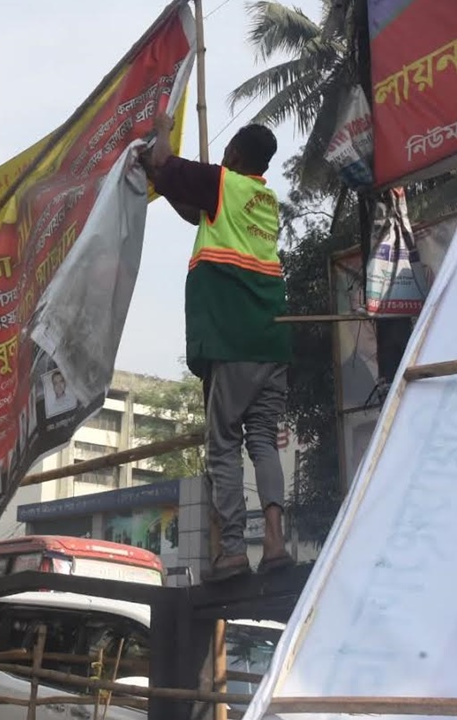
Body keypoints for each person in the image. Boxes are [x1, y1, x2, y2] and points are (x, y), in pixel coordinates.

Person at [138, 112, 294, 582]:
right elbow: (193, 208)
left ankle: (230, 551)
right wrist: (163, 185)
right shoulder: (264, 201)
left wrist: (162, 129)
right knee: (262, 442)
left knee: (224, 445)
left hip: (233, 338)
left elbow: (163, 161)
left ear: (234, 157)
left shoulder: (223, 182)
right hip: (273, 340)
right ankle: (274, 541)